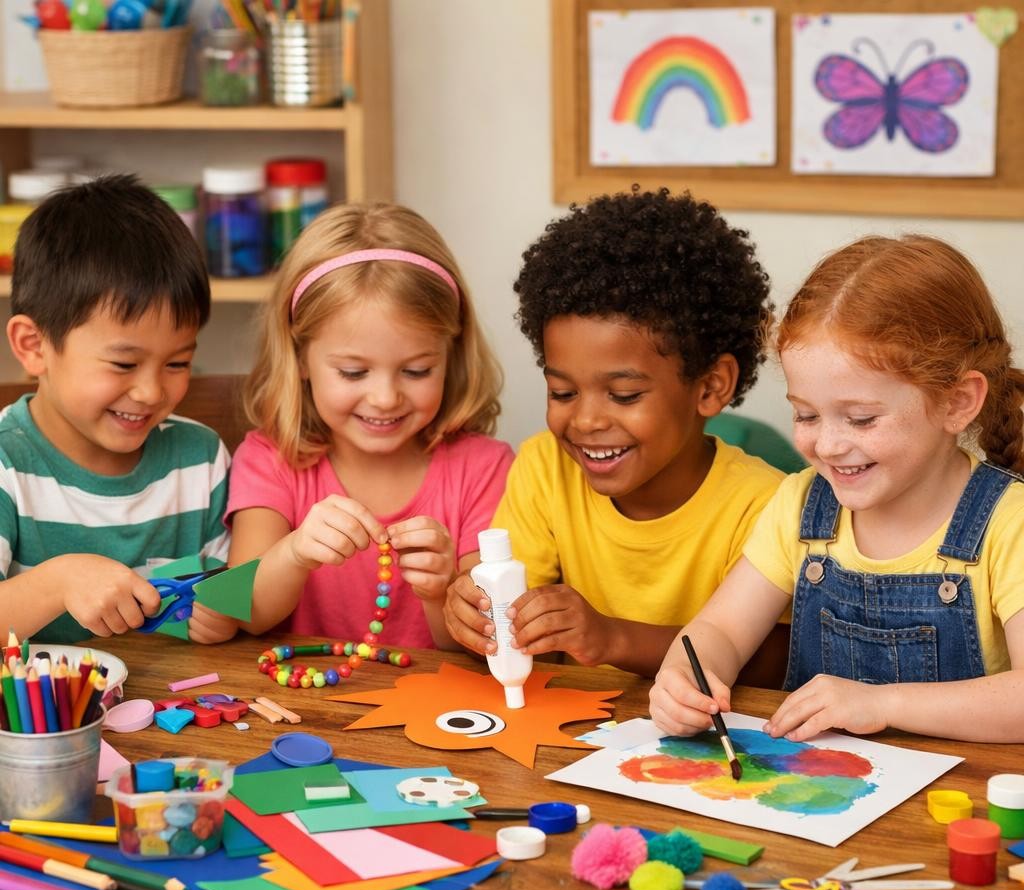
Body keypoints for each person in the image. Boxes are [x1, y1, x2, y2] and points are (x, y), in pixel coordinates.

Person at [650, 234, 1024, 744]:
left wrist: (880, 703)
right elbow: (719, 632)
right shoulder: (801, 504)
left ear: (957, 403)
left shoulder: (1009, 522)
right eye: (806, 413)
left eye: (862, 419)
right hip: (817, 797)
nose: (827, 444)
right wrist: (681, 679)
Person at [444, 188, 785, 678]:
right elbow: (510, 622)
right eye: (562, 393)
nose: (584, 421)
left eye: (624, 396)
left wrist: (612, 638)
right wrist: (478, 616)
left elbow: (771, 661)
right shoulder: (545, 468)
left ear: (710, 387)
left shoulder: (765, 505)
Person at [226, 202, 513, 648]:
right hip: (299, 711)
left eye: (416, 371)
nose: (385, 398)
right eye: (354, 373)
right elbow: (238, 613)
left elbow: (483, 645)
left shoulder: (485, 467)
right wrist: (295, 552)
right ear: (300, 357)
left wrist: (442, 591)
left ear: (450, 356)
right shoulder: (269, 460)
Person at [0, 174, 233, 643]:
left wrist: (226, 614)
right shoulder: (8, 464)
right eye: (124, 363)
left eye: (178, 362)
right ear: (34, 346)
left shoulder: (200, 460)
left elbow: (226, 603)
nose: (150, 392)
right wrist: (58, 581)